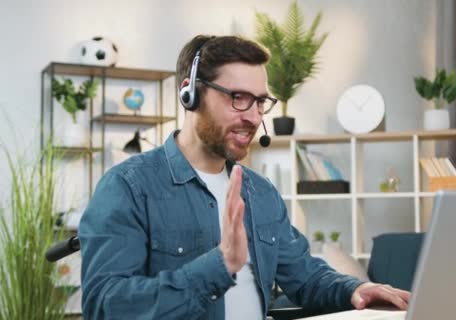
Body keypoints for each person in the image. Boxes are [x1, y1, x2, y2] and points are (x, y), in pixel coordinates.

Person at [79, 34, 410, 320]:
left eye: (261, 102)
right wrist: (218, 266)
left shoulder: (260, 192)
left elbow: (305, 275)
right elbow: (105, 305)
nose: (253, 117)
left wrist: (357, 289)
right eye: (238, 98)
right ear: (189, 94)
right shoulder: (128, 186)